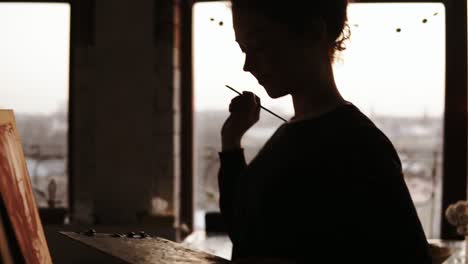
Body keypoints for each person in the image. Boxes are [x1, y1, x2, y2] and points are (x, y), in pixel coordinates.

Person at [217, 0, 433, 263]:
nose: (247, 65)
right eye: (243, 49)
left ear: (313, 33)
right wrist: (231, 142)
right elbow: (244, 230)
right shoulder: (290, 135)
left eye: (259, 45)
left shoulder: (361, 147)